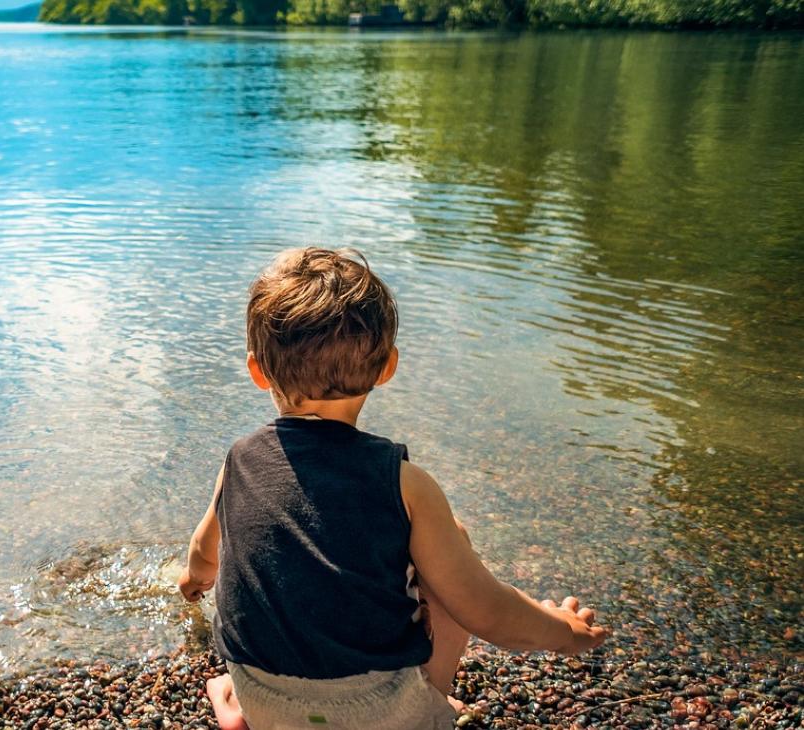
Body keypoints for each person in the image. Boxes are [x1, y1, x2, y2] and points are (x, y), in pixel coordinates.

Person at [178, 248, 608, 729]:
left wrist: (193, 583)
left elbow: (203, 553)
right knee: (451, 542)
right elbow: (485, 610)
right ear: (388, 367)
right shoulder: (407, 485)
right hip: (378, 713)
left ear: (257, 371)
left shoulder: (238, 461)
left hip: (263, 696)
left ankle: (236, 704)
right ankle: (430, 707)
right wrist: (563, 632)